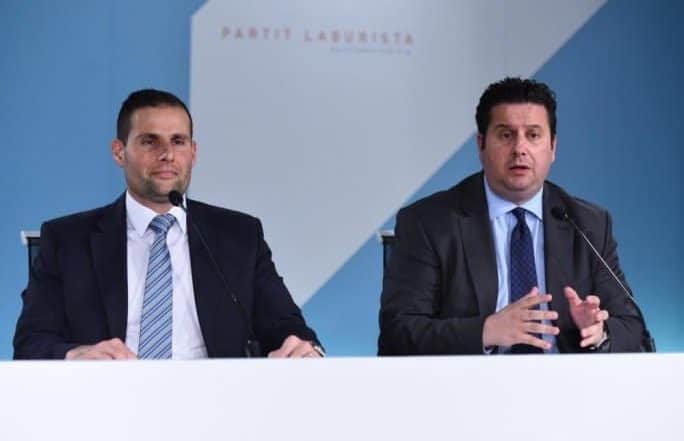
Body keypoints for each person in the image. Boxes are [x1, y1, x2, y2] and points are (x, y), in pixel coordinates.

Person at [14, 89, 323, 360]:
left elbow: (288, 327)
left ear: (193, 153)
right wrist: (74, 354)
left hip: (218, 398)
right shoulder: (68, 240)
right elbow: (31, 343)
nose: (167, 154)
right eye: (150, 141)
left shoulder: (239, 236)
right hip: (110, 397)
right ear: (119, 152)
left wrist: (303, 348)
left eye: (178, 141)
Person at [379, 77, 650, 355]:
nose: (520, 148)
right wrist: (485, 331)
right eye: (506, 135)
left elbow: (634, 328)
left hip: (564, 380)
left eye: (533, 135)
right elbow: (397, 333)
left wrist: (599, 334)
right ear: (481, 145)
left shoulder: (587, 224)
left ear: (553, 147)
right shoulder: (430, 223)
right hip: (470, 380)